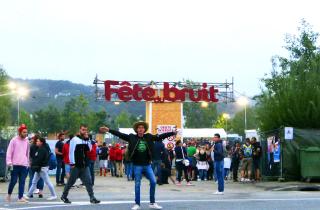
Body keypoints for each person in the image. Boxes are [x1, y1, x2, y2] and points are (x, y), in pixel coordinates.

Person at [100, 121, 177, 210]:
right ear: (136, 129)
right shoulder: (131, 137)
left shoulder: (149, 137)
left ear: (144, 130)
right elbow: (120, 134)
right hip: (137, 165)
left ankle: (152, 203)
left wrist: (172, 133)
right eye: (139, 128)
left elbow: (160, 136)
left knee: (153, 182)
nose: (141, 129)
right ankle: (137, 204)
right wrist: (109, 130)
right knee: (137, 184)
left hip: (147, 165)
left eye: (142, 128)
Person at [61, 124, 100, 204]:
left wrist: (88, 139)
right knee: (71, 182)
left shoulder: (86, 139)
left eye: (86, 130)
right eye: (83, 130)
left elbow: (89, 149)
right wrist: (72, 163)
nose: (84, 131)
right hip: (76, 165)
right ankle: (64, 196)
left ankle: (92, 197)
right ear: (80, 130)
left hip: (84, 165)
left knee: (88, 182)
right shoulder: (74, 139)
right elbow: (71, 152)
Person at [6, 124, 30, 203]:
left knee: (22, 181)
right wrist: (9, 162)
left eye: (26, 132)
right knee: (13, 181)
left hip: (23, 165)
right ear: (20, 132)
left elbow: (27, 153)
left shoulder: (27, 141)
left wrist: (28, 162)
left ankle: (20, 197)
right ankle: (9, 194)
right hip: (15, 165)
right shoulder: (14, 140)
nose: (25, 134)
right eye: (24, 132)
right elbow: (9, 152)